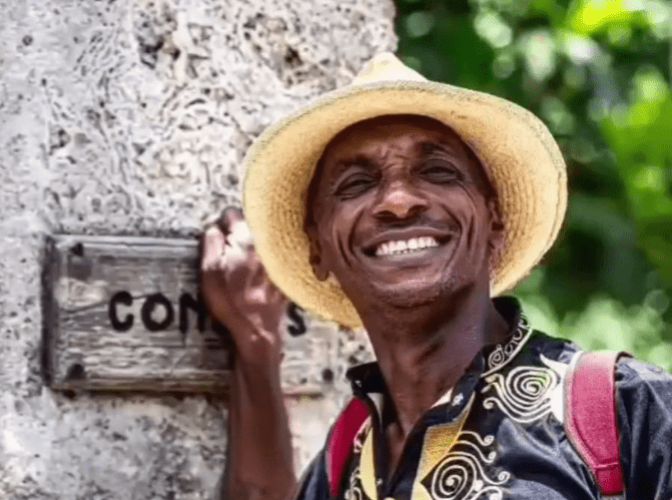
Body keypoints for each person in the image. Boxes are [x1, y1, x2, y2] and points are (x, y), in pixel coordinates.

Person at [200, 53, 672, 500]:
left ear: (495, 219)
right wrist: (256, 348)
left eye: (438, 172)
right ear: (317, 247)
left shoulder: (627, 409)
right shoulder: (345, 462)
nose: (398, 201)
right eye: (357, 183)